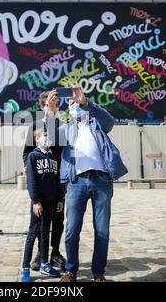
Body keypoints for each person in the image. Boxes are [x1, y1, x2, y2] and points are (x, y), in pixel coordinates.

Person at [59, 86, 128, 282]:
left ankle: (98, 272)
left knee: (102, 229)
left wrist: (86, 103)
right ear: (68, 108)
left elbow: (110, 120)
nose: (75, 104)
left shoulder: (97, 122)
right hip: (77, 181)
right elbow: (48, 137)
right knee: (72, 229)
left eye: (77, 101)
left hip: (101, 180)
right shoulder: (66, 128)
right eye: (71, 102)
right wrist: (49, 110)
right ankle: (71, 270)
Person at [22, 90, 66, 271]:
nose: (53, 106)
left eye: (56, 103)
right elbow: (26, 153)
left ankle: (54, 252)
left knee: (58, 218)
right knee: (41, 220)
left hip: (57, 180)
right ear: (42, 106)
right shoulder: (34, 126)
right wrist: (29, 167)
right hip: (41, 181)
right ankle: (41, 254)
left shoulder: (60, 126)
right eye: (50, 103)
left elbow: (63, 154)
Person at [21, 128, 64, 282]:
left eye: (48, 135)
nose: (46, 138)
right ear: (37, 139)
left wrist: (60, 199)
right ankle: (25, 268)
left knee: (46, 233)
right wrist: (35, 201)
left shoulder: (54, 157)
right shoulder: (33, 156)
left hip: (52, 202)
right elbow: (31, 181)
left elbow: (58, 180)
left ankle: (45, 264)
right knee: (33, 234)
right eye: (43, 136)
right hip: (39, 203)